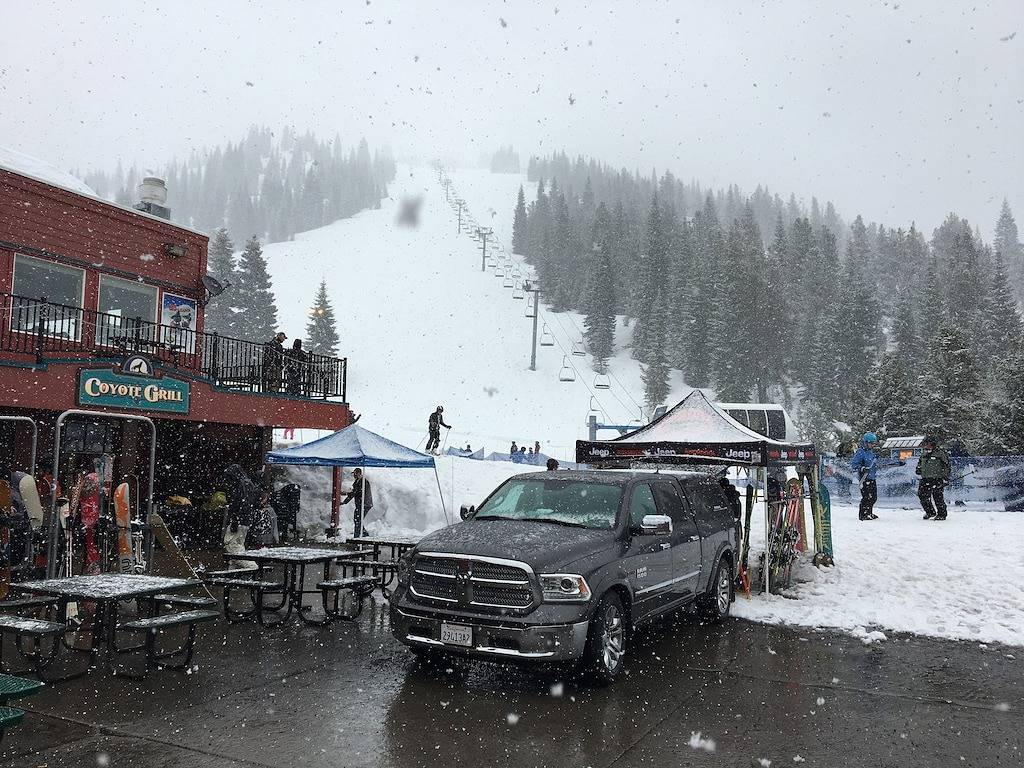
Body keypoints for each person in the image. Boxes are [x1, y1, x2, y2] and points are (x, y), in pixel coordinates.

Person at [850, 432, 902, 521]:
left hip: (872, 477)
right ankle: (863, 514)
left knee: (873, 497)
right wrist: (862, 468)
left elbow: (877, 463)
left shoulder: (871, 452)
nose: (873, 445)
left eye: (874, 443)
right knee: (866, 497)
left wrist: (895, 463)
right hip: (864, 478)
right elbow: (854, 464)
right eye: (871, 443)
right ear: (866, 442)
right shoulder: (860, 452)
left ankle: (869, 512)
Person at [222, 464, 260, 568]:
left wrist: (235, 519)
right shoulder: (247, 484)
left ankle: (252, 566)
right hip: (243, 520)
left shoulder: (243, 485)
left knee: (232, 545)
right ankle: (232, 570)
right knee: (237, 545)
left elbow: (242, 504)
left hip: (240, 521)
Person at [916, 435, 952, 520]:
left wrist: (945, 477)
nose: (925, 445)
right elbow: (920, 462)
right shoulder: (924, 453)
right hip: (925, 478)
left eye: (927, 443)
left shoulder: (940, 453)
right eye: (924, 443)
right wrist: (918, 468)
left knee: (937, 496)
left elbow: (946, 466)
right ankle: (930, 512)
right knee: (922, 495)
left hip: (937, 478)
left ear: (932, 444)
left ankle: (942, 514)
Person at [341, 468, 374, 537]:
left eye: (355, 473)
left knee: (358, 519)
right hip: (361, 504)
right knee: (358, 519)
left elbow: (356, 492)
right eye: (353, 474)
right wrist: (345, 500)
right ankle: (363, 534)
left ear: (359, 473)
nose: (354, 475)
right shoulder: (357, 481)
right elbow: (355, 492)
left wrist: (346, 495)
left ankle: (357, 536)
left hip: (365, 504)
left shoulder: (363, 482)